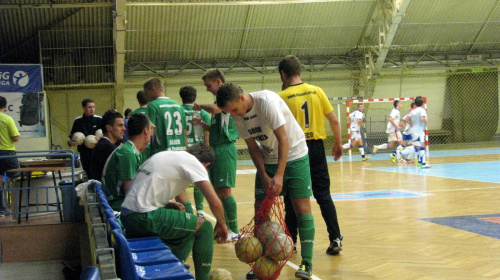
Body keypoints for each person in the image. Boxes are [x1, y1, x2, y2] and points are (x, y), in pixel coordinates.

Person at [216, 83, 315, 279]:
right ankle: (260, 262)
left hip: (294, 154)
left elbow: (283, 139)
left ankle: (307, 262)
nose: (234, 114)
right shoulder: (236, 114)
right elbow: (252, 147)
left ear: (242, 98)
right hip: (268, 158)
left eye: (234, 109)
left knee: (301, 208)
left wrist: (279, 175)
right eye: (230, 112)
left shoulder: (266, 102)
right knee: (260, 209)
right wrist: (263, 174)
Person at [120, 143, 228, 280]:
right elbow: (214, 202)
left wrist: (167, 202)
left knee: (187, 230)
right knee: (204, 227)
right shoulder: (194, 163)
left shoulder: (167, 155)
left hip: (128, 216)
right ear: (206, 165)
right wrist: (222, 224)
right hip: (144, 216)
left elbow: (141, 188)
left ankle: (172, 271)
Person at [278, 55, 344, 257]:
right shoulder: (317, 91)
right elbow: (333, 120)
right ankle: (335, 238)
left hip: (295, 150)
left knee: (291, 197)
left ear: (283, 74)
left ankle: (292, 243)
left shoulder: (282, 96)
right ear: (299, 71)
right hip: (316, 148)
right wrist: (339, 143)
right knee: (323, 195)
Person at [193, 69, 239, 241]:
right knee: (219, 191)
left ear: (219, 82)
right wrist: (202, 123)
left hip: (226, 149)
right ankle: (223, 226)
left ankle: (234, 229)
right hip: (217, 148)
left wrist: (200, 106)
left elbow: (213, 108)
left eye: (209, 85)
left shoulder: (226, 100)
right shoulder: (218, 104)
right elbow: (216, 130)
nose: (207, 89)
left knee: (225, 191)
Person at [102, 113, 153, 211]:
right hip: (117, 205)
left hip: (119, 201)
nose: (152, 133)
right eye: (151, 129)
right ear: (146, 131)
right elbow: (130, 191)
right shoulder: (128, 153)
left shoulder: (130, 150)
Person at [180, 85, 211, 217]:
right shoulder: (202, 113)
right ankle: (199, 211)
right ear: (195, 97)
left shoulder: (179, 111)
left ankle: (185, 211)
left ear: (181, 97)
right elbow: (207, 132)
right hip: (199, 149)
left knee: (181, 182)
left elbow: (182, 131)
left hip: (185, 150)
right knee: (200, 180)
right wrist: (207, 150)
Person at [143, 78, 188, 154]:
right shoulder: (178, 106)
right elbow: (184, 131)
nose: (146, 96)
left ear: (153, 90)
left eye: (146, 93)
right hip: (180, 151)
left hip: (162, 152)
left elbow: (149, 130)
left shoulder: (153, 105)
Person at [68, 99, 102, 178]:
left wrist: (100, 140)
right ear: (83, 108)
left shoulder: (99, 119)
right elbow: (70, 136)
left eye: (93, 107)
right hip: (85, 152)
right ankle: (90, 187)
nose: (92, 109)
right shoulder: (78, 121)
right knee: (88, 172)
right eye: (89, 107)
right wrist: (71, 142)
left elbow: (106, 134)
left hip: (97, 152)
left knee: (98, 172)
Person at [90, 110, 125, 181]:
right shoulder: (107, 148)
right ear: (109, 128)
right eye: (120, 125)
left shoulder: (104, 144)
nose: (124, 129)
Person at [0, 96, 21, 215]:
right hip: (7, 152)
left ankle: (1, 209)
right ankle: (18, 209)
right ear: (5, 106)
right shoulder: (7, 119)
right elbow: (15, 137)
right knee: (16, 179)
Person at [403, 96, 430, 168]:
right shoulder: (422, 110)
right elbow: (422, 118)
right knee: (418, 147)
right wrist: (426, 121)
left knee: (421, 147)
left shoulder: (412, 111)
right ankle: (398, 153)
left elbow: (406, 119)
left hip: (414, 131)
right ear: (422, 103)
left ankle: (422, 162)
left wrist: (412, 124)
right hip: (418, 131)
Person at [131, 90, 151, 162]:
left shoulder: (133, 113)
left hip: (138, 145)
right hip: (150, 144)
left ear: (138, 100)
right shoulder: (152, 110)